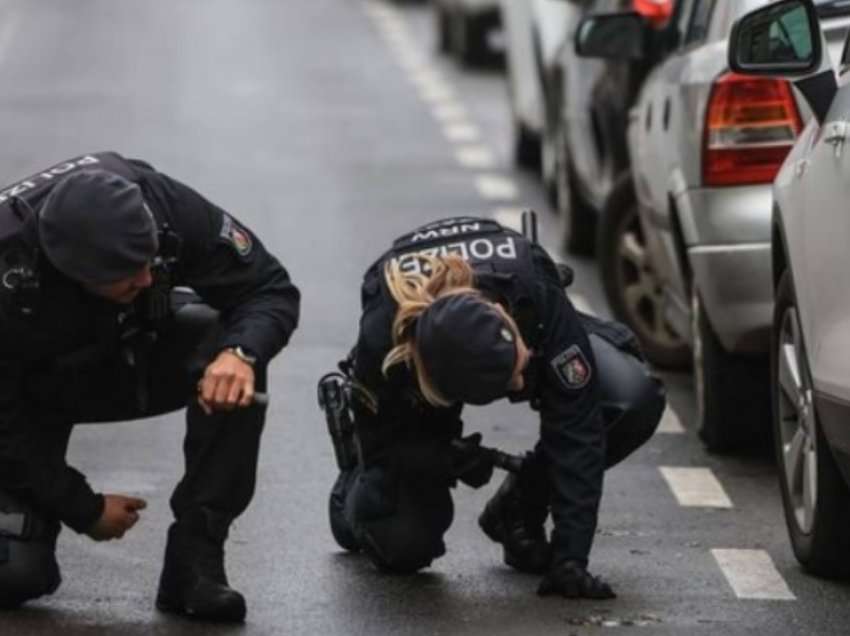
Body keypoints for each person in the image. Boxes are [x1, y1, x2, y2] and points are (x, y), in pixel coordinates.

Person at [0, 152, 300, 622]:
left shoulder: (161, 205)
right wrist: (85, 509)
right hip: (27, 394)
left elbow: (269, 289)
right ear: (73, 270)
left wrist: (239, 354)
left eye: (149, 260)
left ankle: (196, 561)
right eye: (128, 271)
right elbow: (6, 428)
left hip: (123, 353)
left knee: (230, 344)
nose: (146, 277)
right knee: (16, 572)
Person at [324, 216, 665, 599]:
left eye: (518, 369)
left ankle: (518, 508)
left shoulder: (532, 290)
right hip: (410, 385)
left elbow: (578, 428)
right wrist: (440, 455)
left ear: (508, 321)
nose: (520, 386)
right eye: (508, 384)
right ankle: (350, 488)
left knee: (630, 399)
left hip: (526, 312)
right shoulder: (383, 339)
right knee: (403, 545)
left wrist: (571, 559)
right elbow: (383, 439)